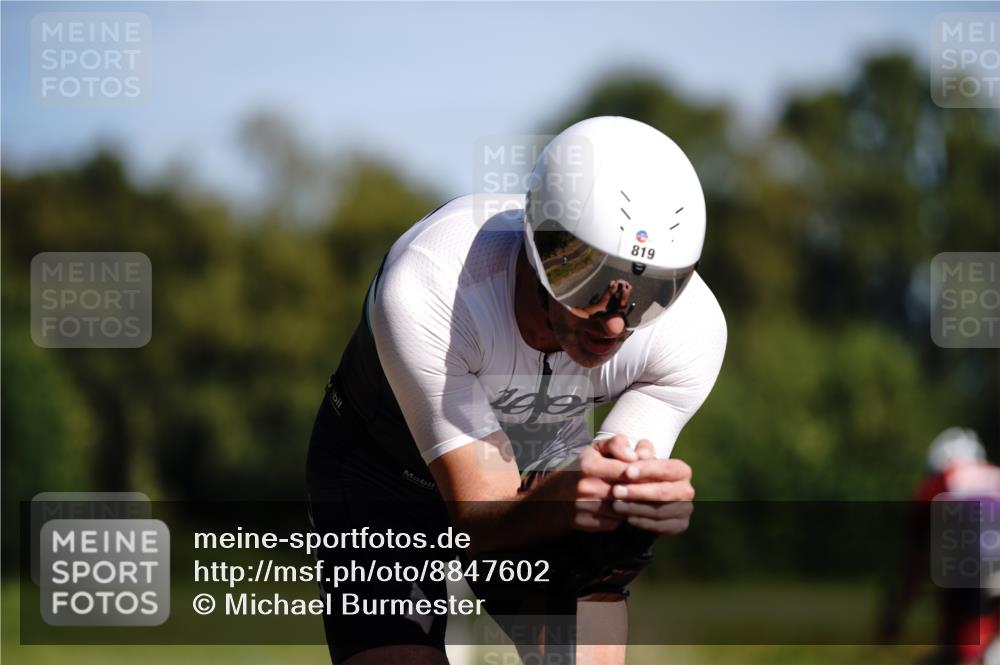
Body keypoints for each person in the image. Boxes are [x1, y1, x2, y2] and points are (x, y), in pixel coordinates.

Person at [306, 116, 727, 664]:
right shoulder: (430, 286)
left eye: (651, 291)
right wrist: (573, 494)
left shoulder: (691, 332)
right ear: (538, 246)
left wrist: (631, 507)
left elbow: (599, 508)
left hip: (542, 465)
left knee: (596, 564)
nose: (616, 323)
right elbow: (476, 517)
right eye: (593, 283)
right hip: (384, 476)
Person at [881, 427, 1000, 665]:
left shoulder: (938, 483)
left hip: (975, 570)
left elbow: (916, 558)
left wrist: (896, 613)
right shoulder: (995, 473)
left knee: (964, 651)